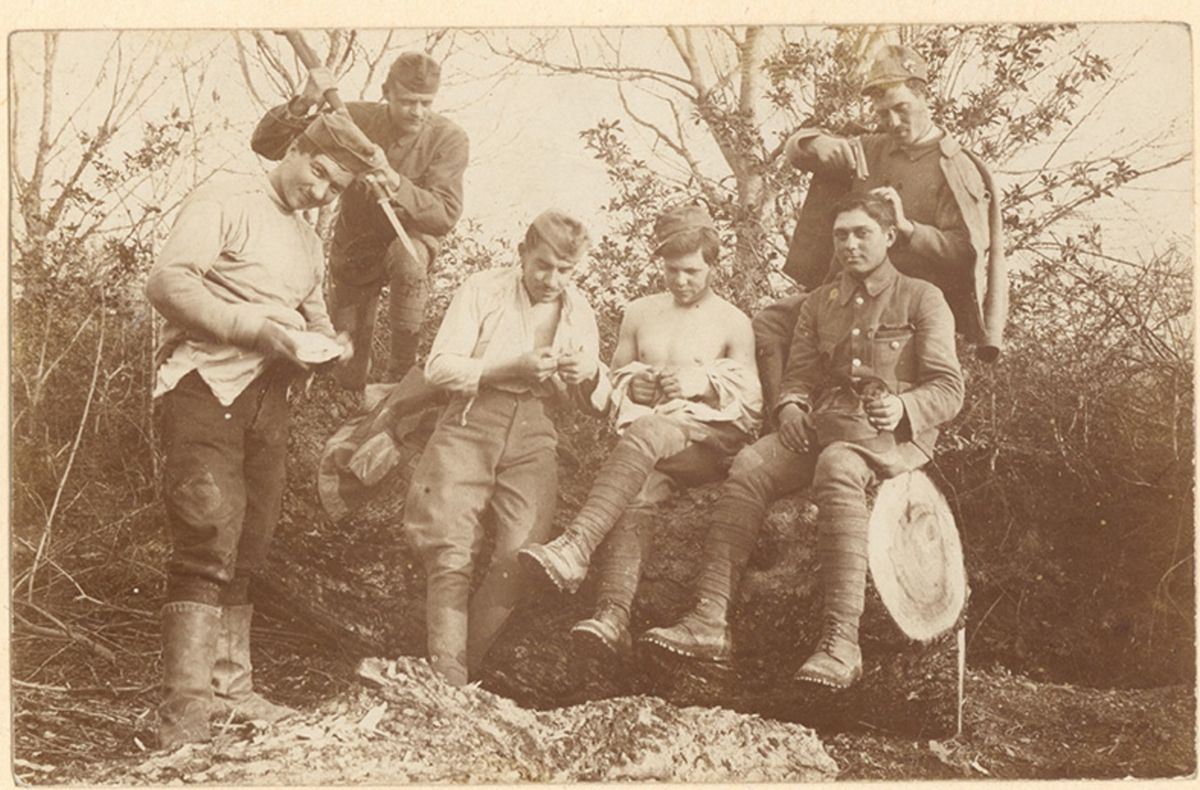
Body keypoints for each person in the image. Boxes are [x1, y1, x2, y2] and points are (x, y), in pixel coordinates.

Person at [640, 194, 964, 690]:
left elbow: (948, 388)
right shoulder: (820, 303)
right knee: (750, 463)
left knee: (837, 465)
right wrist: (790, 406)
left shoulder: (922, 297)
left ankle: (842, 643)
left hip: (890, 436)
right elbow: (799, 376)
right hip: (826, 424)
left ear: (888, 236)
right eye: (841, 235)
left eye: (862, 233)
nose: (850, 244)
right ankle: (708, 619)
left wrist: (903, 408)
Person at [147, 113, 389, 748]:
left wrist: (331, 345)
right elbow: (167, 282)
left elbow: (312, 318)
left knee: (250, 540)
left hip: (267, 398)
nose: (320, 192)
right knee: (206, 532)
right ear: (298, 149)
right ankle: (185, 711)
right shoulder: (228, 198)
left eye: (335, 188)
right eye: (318, 173)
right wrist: (253, 329)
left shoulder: (307, 241)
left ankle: (231, 692)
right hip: (205, 385)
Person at [518, 204, 762, 656]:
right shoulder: (640, 313)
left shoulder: (733, 321)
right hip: (648, 447)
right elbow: (613, 385)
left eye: (692, 271)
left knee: (649, 430)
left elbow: (751, 405)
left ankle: (577, 543)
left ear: (712, 265)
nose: (680, 280)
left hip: (704, 446)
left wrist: (701, 382)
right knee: (638, 493)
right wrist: (637, 385)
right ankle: (613, 617)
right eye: (672, 270)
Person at [403, 211, 609, 687]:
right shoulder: (483, 289)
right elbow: (439, 367)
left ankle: (459, 678)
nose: (552, 280)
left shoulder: (578, 309)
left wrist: (589, 375)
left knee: (524, 554)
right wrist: (508, 366)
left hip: (535, 427)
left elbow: (596, 402)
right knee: (449, 542)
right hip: (472, 416)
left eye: (565, 270)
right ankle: (448, 674)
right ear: (522, 254)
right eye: (542, 266)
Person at [754, 44, 1006, 422]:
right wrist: (816, 142)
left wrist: (907, 228)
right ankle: (784, 423)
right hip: (846, 294)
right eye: (883, 113)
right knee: (771, 322)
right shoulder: (872, 149)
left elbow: (964, 254)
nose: (893, 122)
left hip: (905, 305)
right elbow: (799, 152)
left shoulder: (954, 167)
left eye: (901, 108)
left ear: (924, 97)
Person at [251, 52, 470, 389]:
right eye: (407, 101)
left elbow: (445, 214)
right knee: (345, 366)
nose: (417, 111)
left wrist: (395, 182)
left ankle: (400, 374)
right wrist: (305, 100)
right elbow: (266, 145)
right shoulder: (351, 119)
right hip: (355, 250)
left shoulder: (448, 138)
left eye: (425, 102)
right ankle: (348, 400)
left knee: (409, 256)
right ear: (386, 92)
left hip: (409, 244)